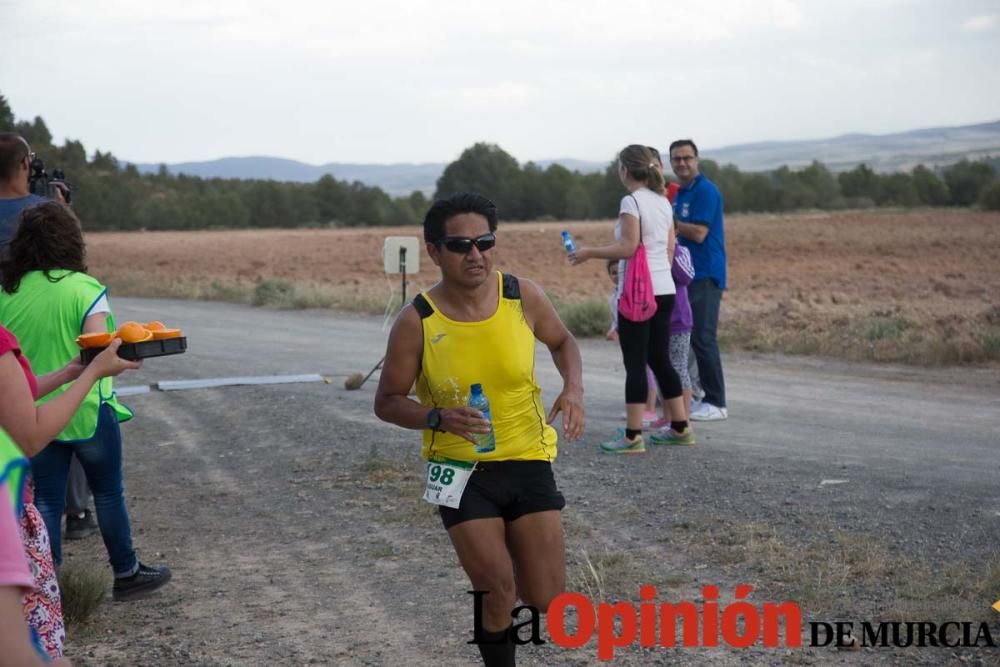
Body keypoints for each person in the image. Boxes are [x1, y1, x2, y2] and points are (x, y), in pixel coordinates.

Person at [374, 192, 584, 667]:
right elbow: (385, 401)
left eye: (485, 242)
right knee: (496, 589)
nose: (476, 254)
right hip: (459, 469)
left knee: (547, 598)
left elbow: (563, 340)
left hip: (527, 458)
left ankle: (508, 561)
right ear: (434, 251)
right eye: (460, 245)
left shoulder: (521, 295)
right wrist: (436, 416)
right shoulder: (417, 321)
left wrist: (574, 389)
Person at [0, 201, 171, 601]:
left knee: (44, 498)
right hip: (87, 408)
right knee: (108, 491)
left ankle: (46, 585)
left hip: (32, 412)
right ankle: (127, 573)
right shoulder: (86, 289)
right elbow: (96, 348)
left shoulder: (5, 292)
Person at [2, 322, 138, 660]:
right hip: (9, 510)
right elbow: (29, 435)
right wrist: (92, 375)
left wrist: (69, 373)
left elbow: (11, 400)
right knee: (38, 649)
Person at [0, 133, 98, 542]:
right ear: (25, 165)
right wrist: (61, 209)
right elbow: (69, 253)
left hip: (9, 318)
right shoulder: (41, 210)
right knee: (61, 412)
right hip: (47, 317)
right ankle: (74, 513)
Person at [570, 145, 694, 452]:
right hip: (664, 289)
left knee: (636, 363)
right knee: (660, 359)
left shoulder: (631, 201)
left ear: (625, 170)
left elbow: (627, 247)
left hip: (638, 293)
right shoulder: (663, 202)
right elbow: (667, 248)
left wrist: (588, 253)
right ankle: (680, 427)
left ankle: (632, 435)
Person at [670, 139, 728, 421]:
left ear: (697, 159)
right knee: (689, 339)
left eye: (687, 158)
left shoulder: (706, 191)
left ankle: (717, 402)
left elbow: (699, 233)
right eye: (677, 159)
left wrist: (667, 223)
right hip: (688, 275)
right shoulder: (681, 193)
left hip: (705, 273)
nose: (682, 163)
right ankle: (699, 396)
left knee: (704, 338)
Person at [605, 259, 658, 424]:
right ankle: (640, 409)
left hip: (639, 335)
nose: (616, 276)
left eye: (619, 272)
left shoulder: (633, 291)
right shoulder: (615, 295)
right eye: (613, 273)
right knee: (635, 370)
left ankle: (650, 409)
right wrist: (614, 329)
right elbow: (617, 316)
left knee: (647, 371)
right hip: (627, 336)